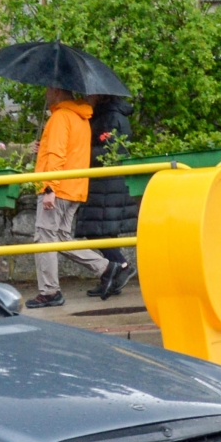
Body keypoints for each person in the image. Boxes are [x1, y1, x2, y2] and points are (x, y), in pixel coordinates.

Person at [27, 87, 109, 308]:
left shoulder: (60, 117)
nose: (44, 92)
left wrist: (48, 189)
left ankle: (49, 291)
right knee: (61, 238)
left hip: (58, 189)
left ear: (56, 91)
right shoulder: (80, 116)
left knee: (44, 239)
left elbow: (57, 154)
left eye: (47, 89)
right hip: (74, 187)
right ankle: (106, 268)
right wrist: (40, 147)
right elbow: (68, 150)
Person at [77, 95, 137, 302]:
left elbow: (111, 150)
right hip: (107, 181)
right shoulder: (107, 115)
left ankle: (122, 266)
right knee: (104, 230)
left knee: (96, 230)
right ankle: (111, 278)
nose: (85, 98)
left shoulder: (110, 117)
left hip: (107, 181)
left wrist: (80, 152)